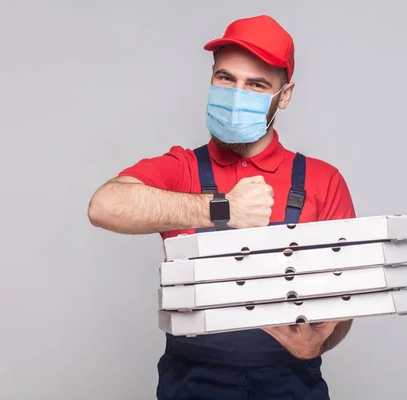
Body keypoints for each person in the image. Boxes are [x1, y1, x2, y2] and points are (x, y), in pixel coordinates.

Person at [88, 14, 356, 400]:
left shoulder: (323, 180)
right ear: (212, 78)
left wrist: (317, 345)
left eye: (256, 84)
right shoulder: (181, 168)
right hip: (193, 380)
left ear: (285, 95)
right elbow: (104, 206)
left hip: (292, 382)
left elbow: (346, 299)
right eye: (226, 78)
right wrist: (221, 208)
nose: (236, 94)